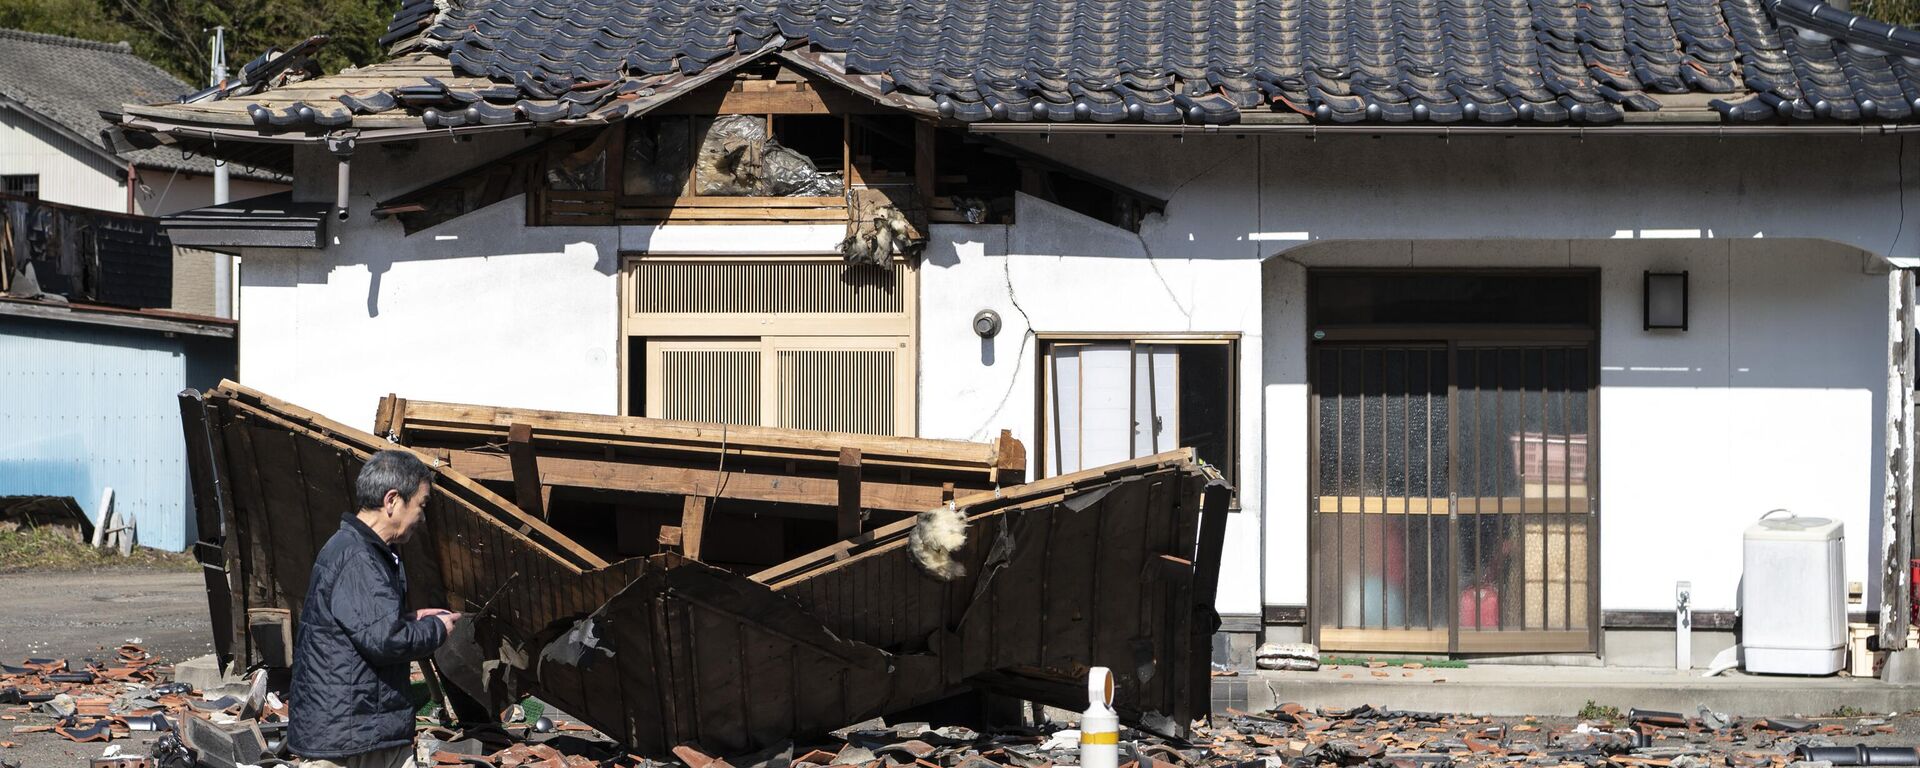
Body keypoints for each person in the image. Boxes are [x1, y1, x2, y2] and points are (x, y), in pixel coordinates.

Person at [289, 450, 461, 768]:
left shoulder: (362, 550)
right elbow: (386, 641)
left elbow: (367, 627)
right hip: (352, 741)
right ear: (392, 500)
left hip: (360, 730)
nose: (422, 517)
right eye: (421, 506)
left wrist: (408, 619)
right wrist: (437, 629)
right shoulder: (358, 557)